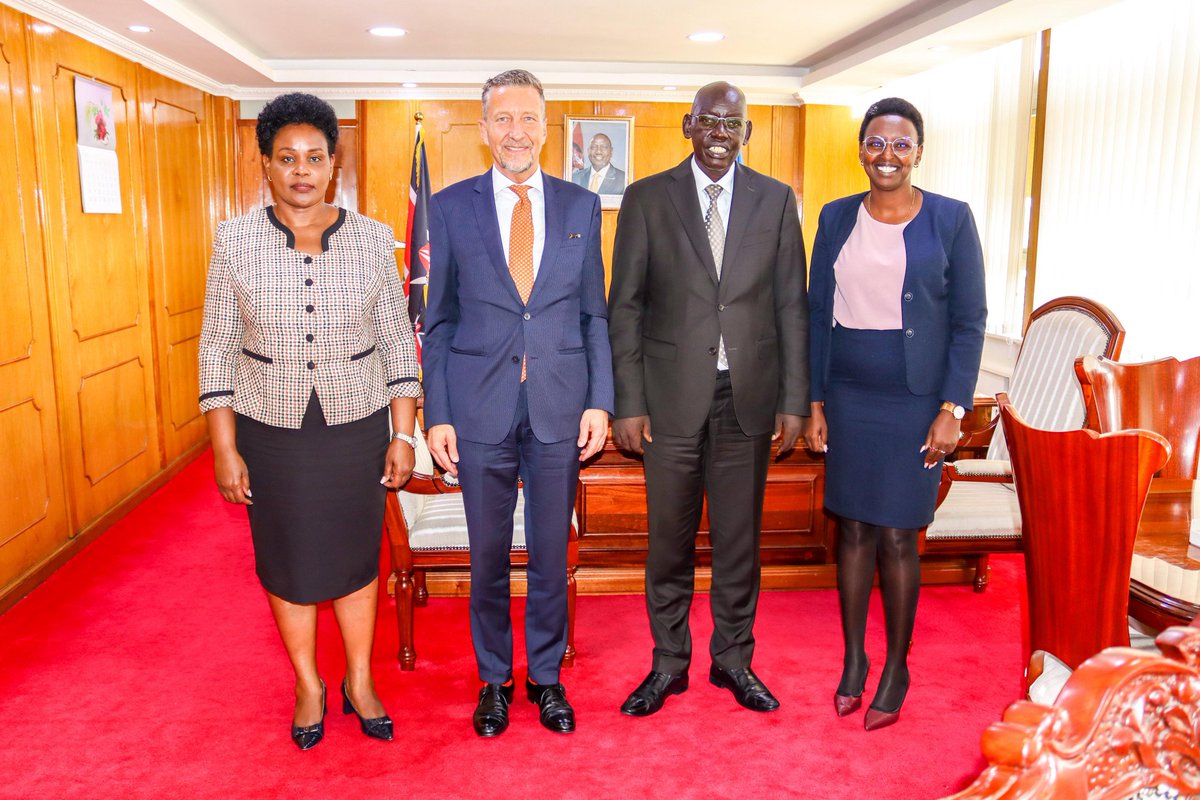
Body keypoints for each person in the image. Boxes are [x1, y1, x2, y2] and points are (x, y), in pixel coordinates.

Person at [198, 93, 421, 750]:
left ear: (333, 162)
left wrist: (402, 432)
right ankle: (307, 684)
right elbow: (216, 342)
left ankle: (357, 679)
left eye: (315, 157)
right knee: (289, 562)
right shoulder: (235, 240)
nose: (302, 170)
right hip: (270, 426)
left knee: (356, 559)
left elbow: (396, 342)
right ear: (265, 164)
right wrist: (223, 445)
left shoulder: (375, 238)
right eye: (286, 158)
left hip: (357, 424)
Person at [608, 81, 809, 717]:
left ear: (746, 133)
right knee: (668, 543)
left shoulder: (776, 201)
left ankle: (733, 660)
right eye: (709, 123)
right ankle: (668, 664)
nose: (720, 135)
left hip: (746, 399)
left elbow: (791, 308)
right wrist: (628, 402)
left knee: (738, 542)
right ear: (688, 125)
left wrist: (795, 400)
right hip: (666, 403)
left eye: (733, 125)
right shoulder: (645, 198)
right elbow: (626, 308)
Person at [423, 69, 613, 738]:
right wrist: (437, 412)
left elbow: (595, 314)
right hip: (478, 411)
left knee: (551, 557)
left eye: (528, 118)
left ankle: (546, 678)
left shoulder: (580, 207)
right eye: (503, 119)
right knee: (488, 558)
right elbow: (439, 320)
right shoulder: (450, 207)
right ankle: (495, 680)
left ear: (545, 126)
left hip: (562, 408)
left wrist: (601, 401)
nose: (516, 132)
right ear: (483, 130)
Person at [803, 97, 987, 731]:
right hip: (850, 394)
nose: (887, 155)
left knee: (898, 536)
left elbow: (969, 321)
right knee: (851, 529)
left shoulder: (951, 220)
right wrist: (816, 400)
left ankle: (897, 666)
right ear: (861, 149)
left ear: (918, 151)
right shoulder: (833, 218)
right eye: (876, 143)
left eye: (900, 144)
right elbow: (817, 311)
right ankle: (854, 659)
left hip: (916, 403)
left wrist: (952, 407)